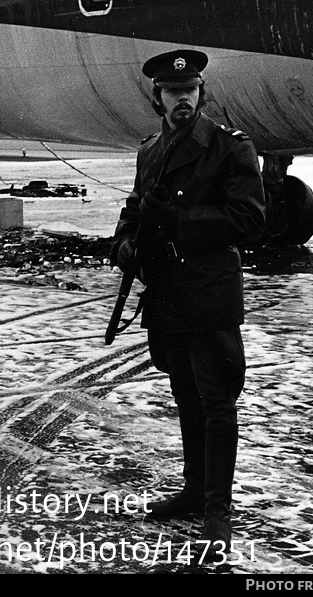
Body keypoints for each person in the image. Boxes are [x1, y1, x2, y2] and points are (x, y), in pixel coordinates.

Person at [111, 49, 266, 562]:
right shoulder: (151, 150)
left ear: (201, 94)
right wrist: (125, 244)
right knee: (186, 397)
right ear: (158, 97)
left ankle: (217, 512)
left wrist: (179, 221)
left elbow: (248, 220)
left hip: (209, 293)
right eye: (173, 93)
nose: (183, 99)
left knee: (218, 403)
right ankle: (194, 489)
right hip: (169, 295)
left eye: (191, 91)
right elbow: (134, 210)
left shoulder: (228, 148)